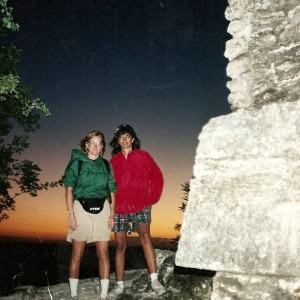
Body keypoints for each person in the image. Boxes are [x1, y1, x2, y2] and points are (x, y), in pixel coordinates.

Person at [108, 124, 166, 298]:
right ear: (118, 141)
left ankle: (154, 280)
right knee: (120, 245)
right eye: (121, 137)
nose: (124, 139)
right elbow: (108, 185)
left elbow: (157, 176)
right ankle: (119, 285)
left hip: (141, 204)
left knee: (145, 237)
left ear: (133, 139)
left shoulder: (144, 156)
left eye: (127, 136)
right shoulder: (114, 161)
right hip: (119, 207)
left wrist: (151, 198)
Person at [63, 130, 116, 300]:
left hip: (103, 208)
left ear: (102, 147)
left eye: (99, 143)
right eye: (92, 142)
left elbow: (112, 191)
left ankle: (103, 295)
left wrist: (112, 213)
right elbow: (69, 189)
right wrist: (70, 213)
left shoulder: (107, 165)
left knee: (103, 253)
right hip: (80, 207)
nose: (95, 146)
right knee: (77, 253)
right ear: (86, 145)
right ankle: (73, 294)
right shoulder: (76, 163)